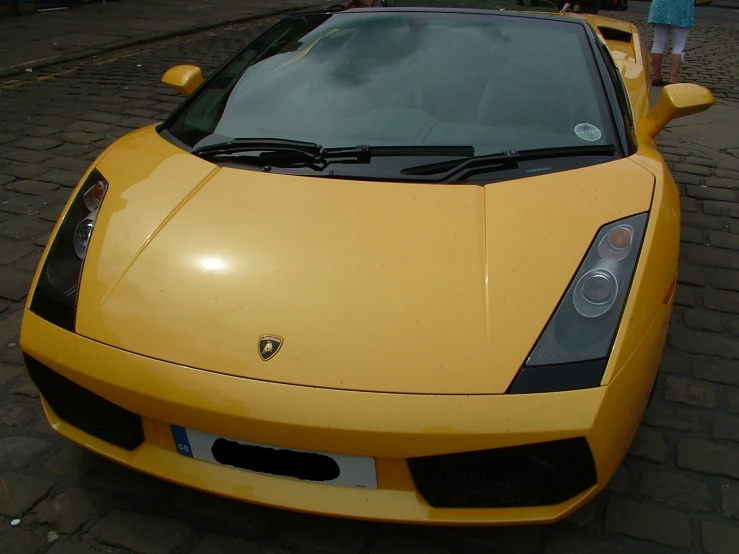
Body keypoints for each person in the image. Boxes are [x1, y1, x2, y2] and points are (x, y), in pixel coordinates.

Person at [647, 0, 695, 86]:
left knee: (658, 44)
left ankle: (657, 77)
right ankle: (673, 79)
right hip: (681, 6)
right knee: (679, 46)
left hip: (661, 5)